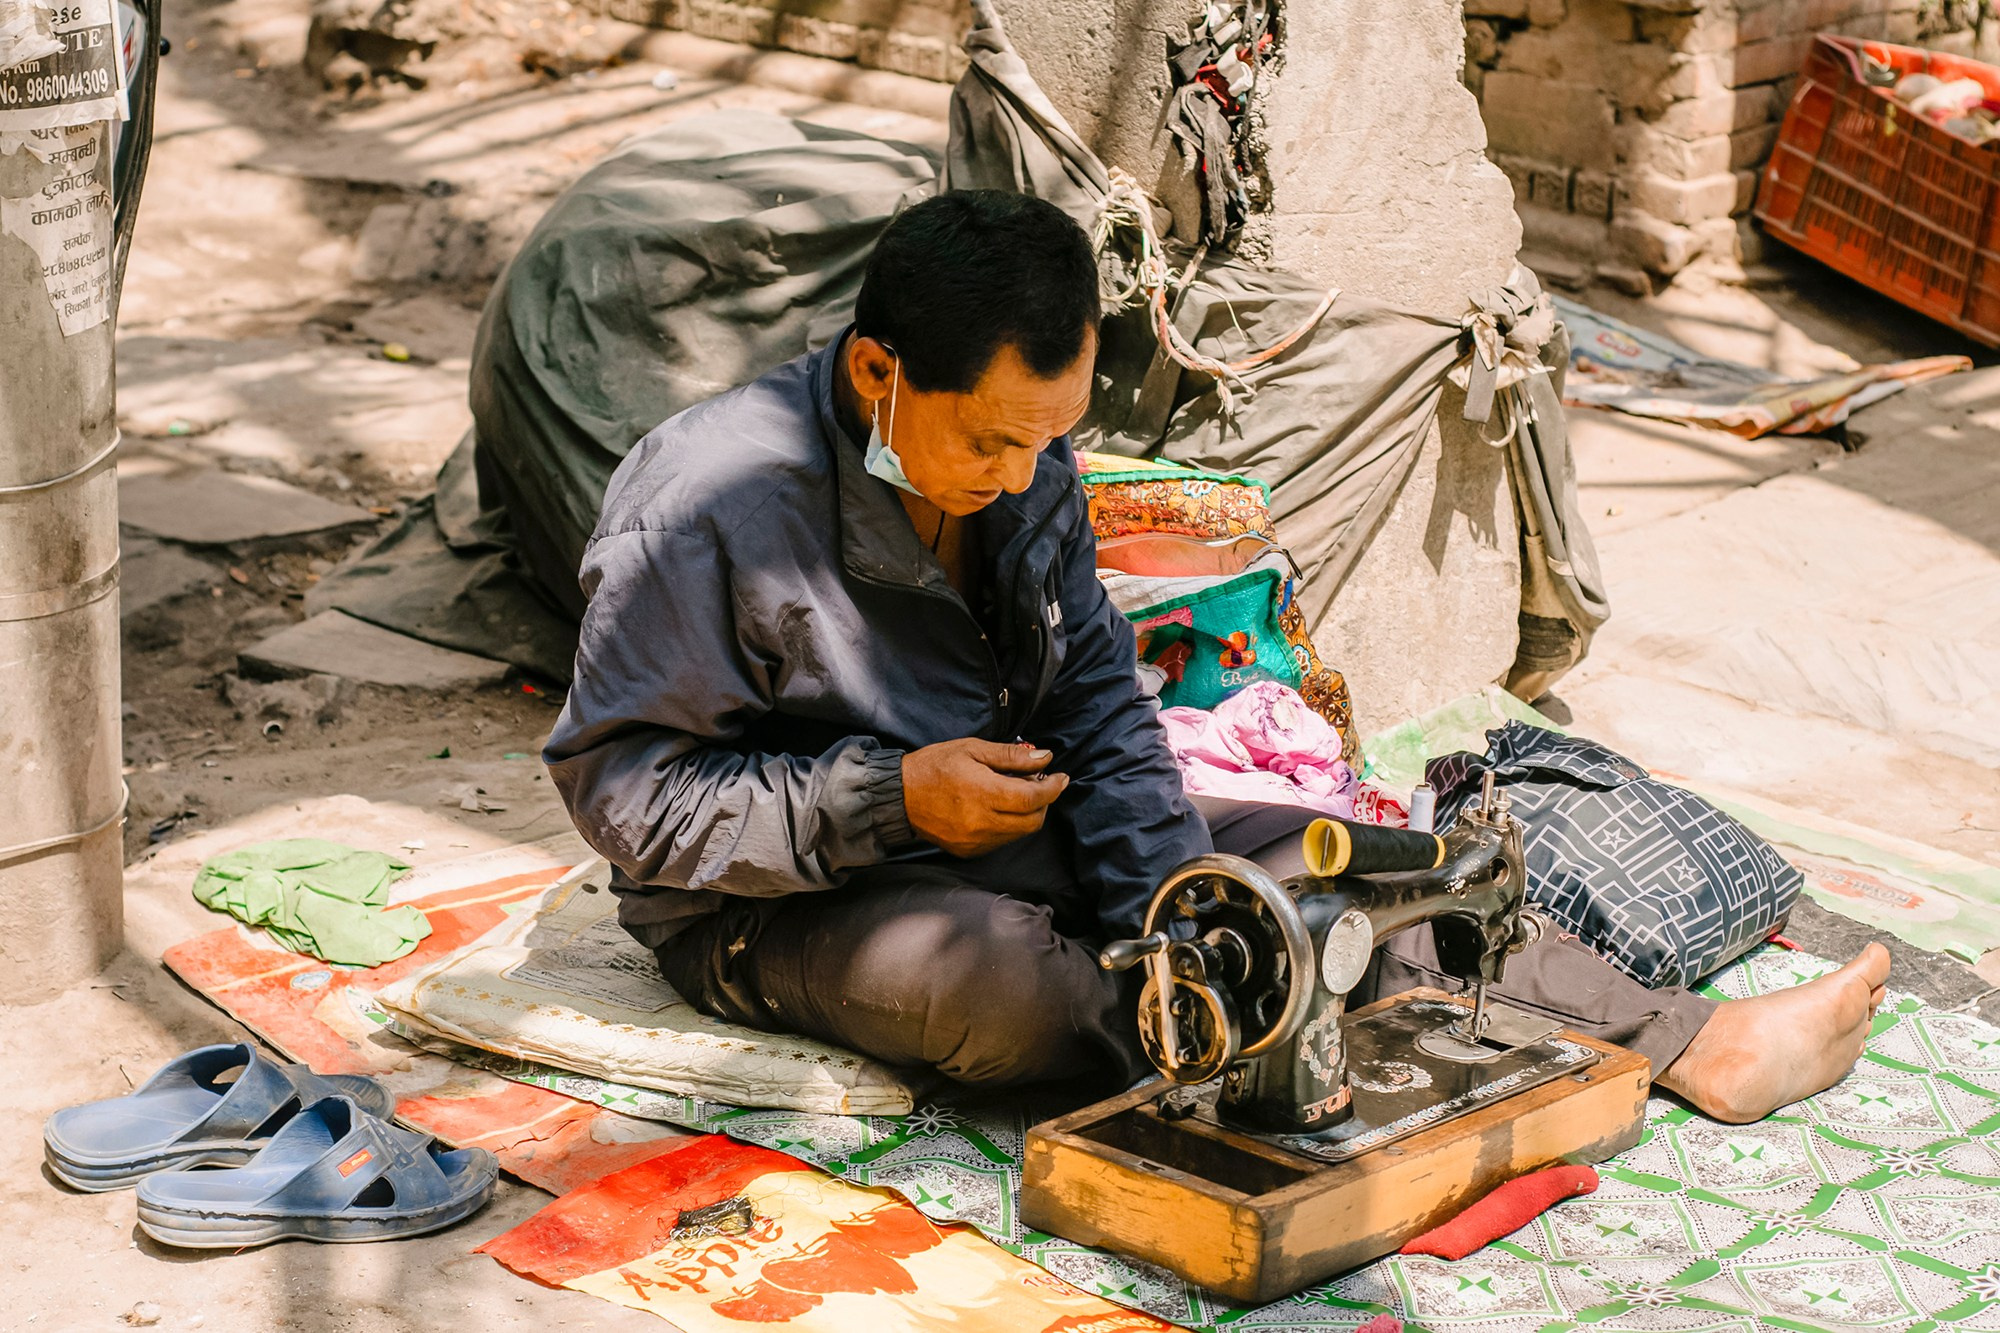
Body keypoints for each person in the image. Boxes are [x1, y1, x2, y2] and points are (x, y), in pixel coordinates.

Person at [545, 189, 1889, 1125]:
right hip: (761, 908)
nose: (1024, 475)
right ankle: (1252, 1044)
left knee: (1312, 864)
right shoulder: (706, 502)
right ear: (874, 373)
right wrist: (890, 801)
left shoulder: (1028, 468)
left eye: (1048, 439)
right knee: (1001, 981)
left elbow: (1097, 710)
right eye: (992, 444)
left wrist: (1173, 896)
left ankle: (1695, 1043)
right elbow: (624, 794)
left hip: (993, 826)